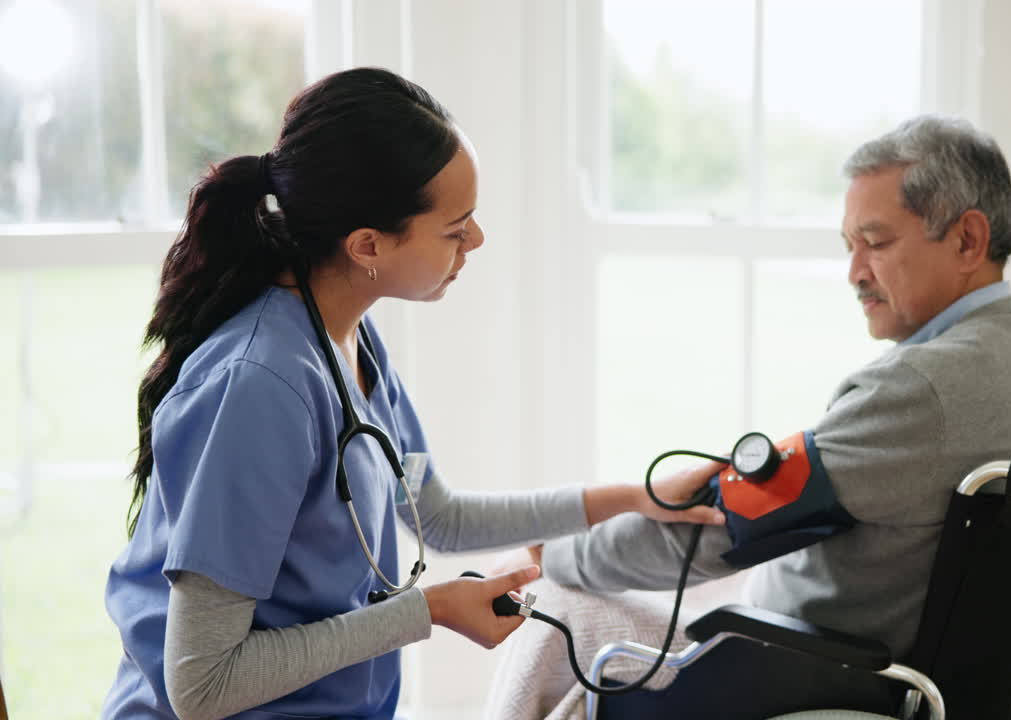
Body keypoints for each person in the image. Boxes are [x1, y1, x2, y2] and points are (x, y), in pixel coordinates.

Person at [101, 67, 723, 720]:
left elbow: (435, 512)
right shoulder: (260, 389)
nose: (476, 241)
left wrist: (633, 499)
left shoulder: (345, 334)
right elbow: (201, 685)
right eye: (456, 229)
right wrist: (426, 611)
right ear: (367, 244)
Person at [485, 115, 1011, 718]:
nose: (854, 273)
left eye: (876, 243)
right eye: (850, 246)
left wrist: (549, 554)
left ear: (967, 241)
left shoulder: (924, 387)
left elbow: (720, 527)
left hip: (804, 673)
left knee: (560, 601)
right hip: (860, 647)